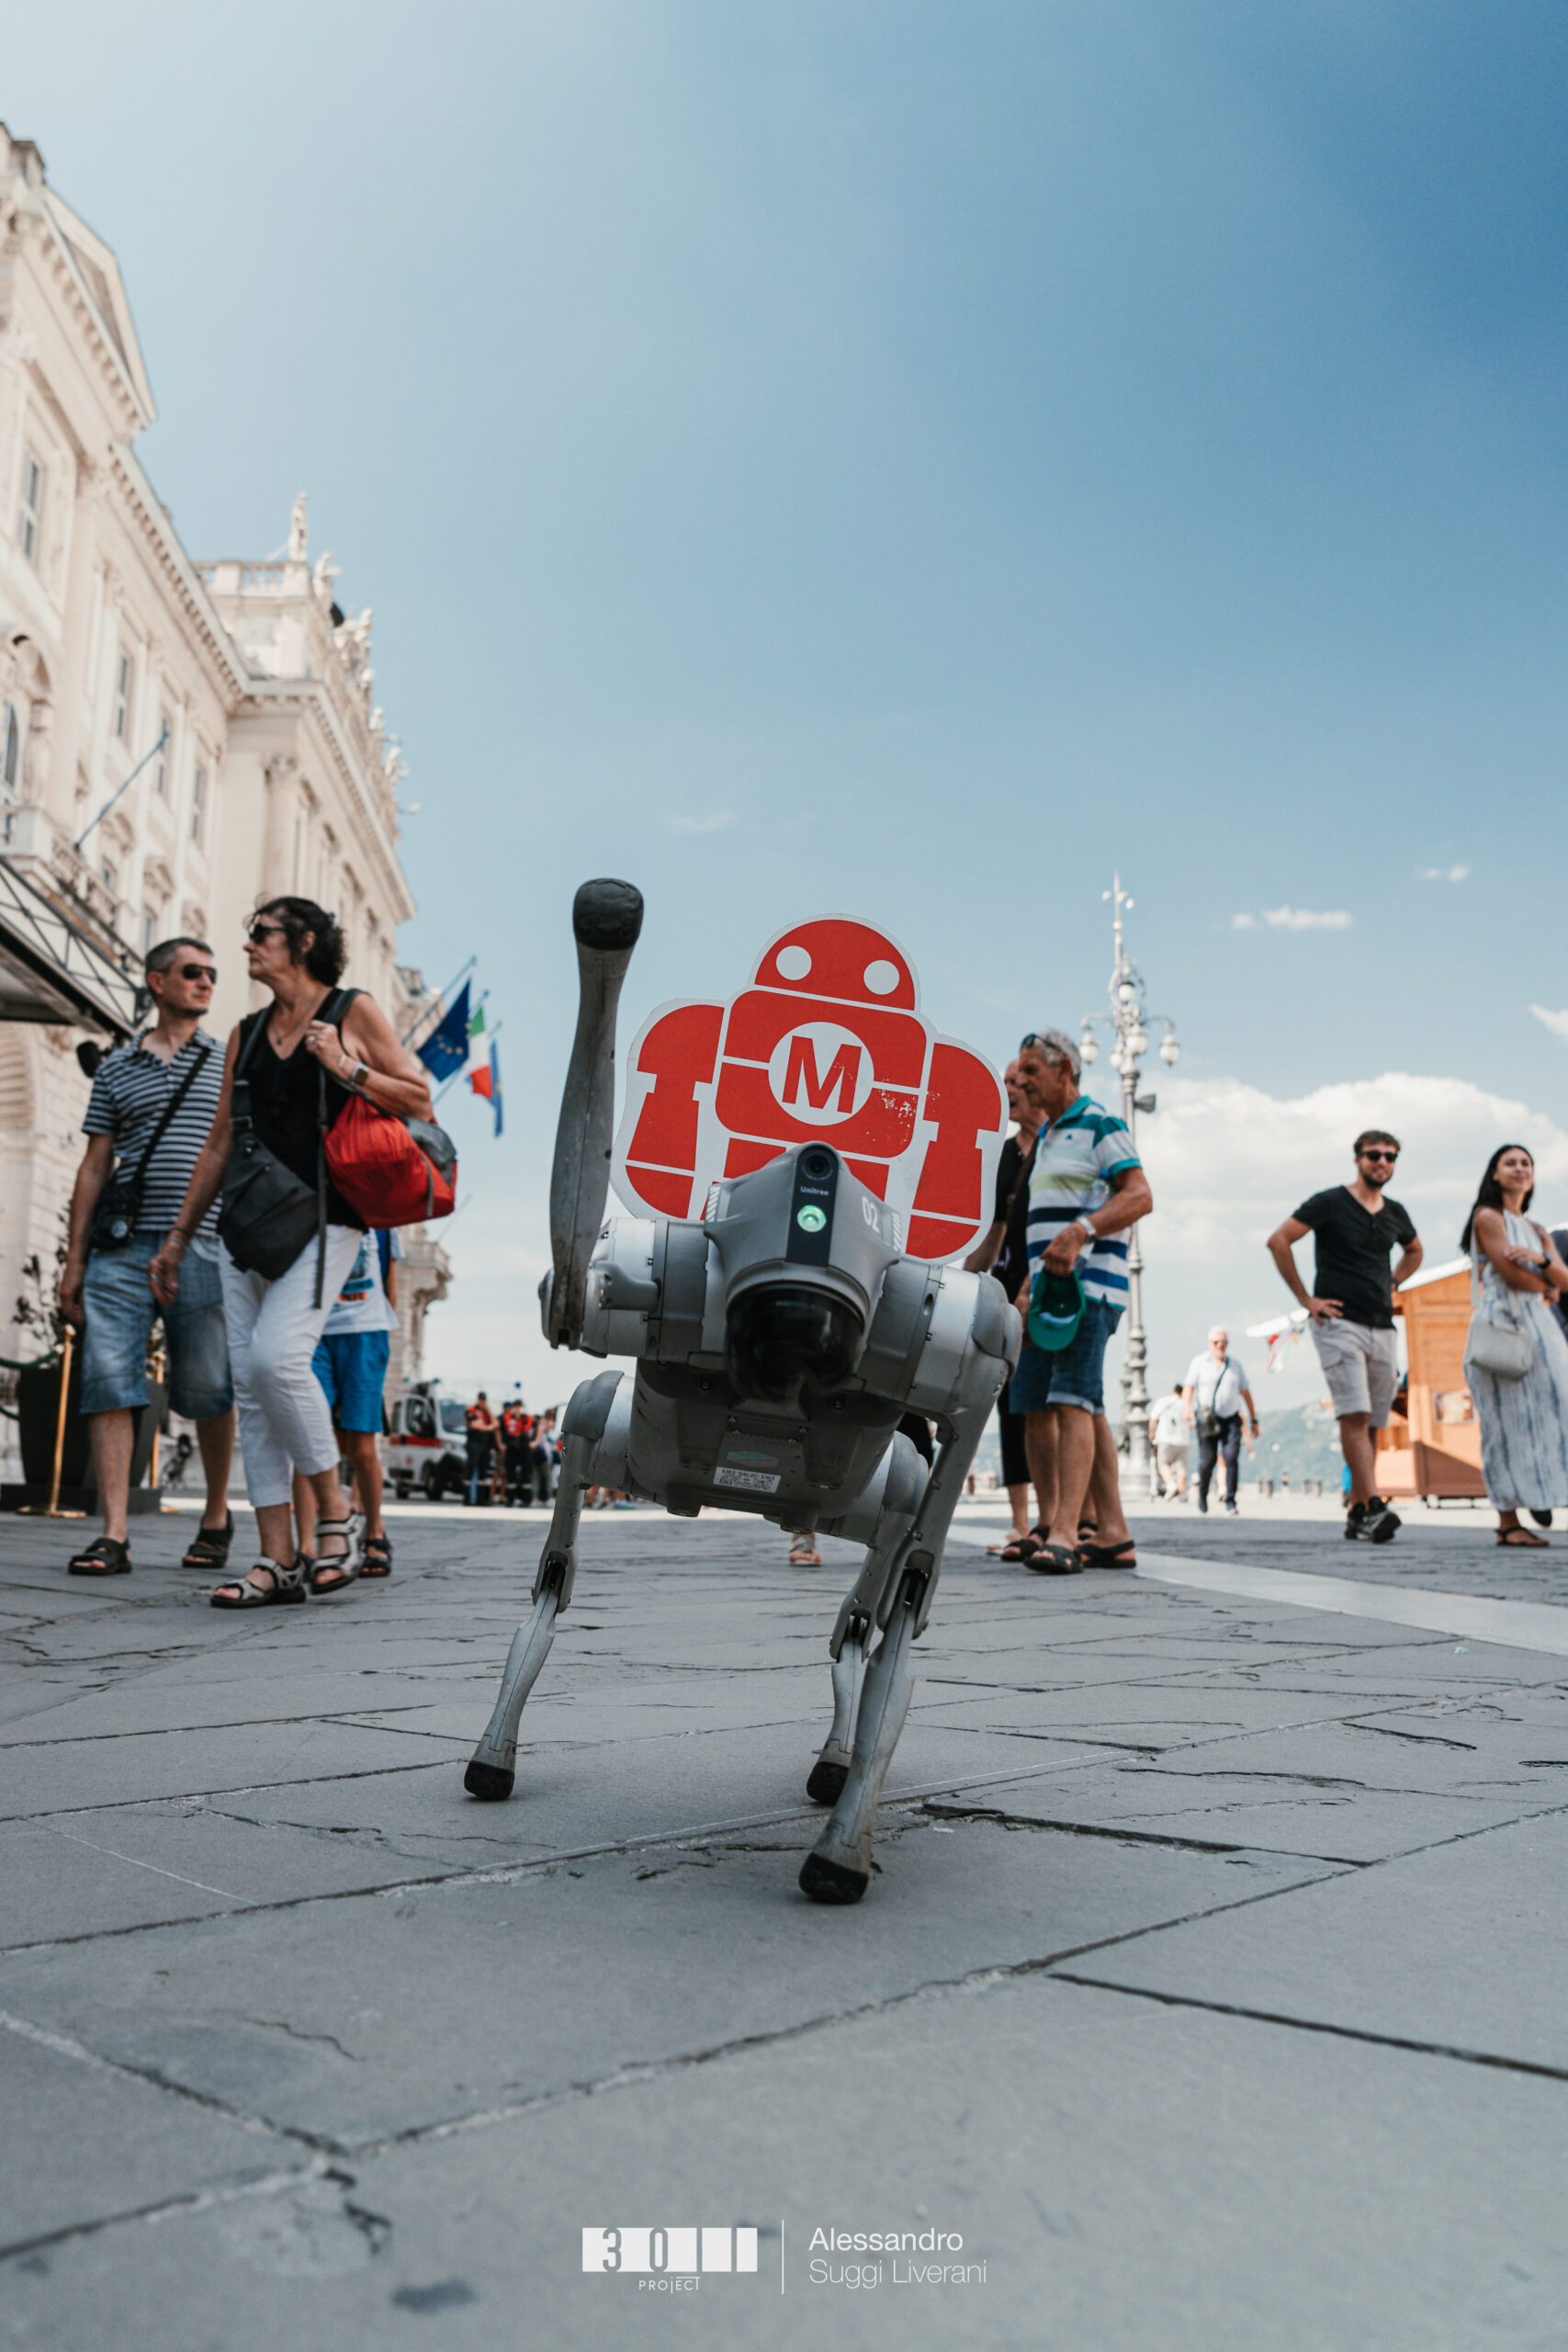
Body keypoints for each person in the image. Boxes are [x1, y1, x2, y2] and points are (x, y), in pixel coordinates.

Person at [150, 897, 434, 1605]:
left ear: (303, 941)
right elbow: (218, 1141)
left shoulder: (351, 1009)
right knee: (250, 1384)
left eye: (261, 934)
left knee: (278, 1358)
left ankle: (334, 1517)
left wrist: (346, 1066)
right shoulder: (243, 1033)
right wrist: (179, 1237)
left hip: (326, 1217)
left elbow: (420, 1099)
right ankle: (276, 1557)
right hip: (241, 1227)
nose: (248, 947)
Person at [59, 936, 235, 1577]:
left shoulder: (226, 1060)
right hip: (121, 1247)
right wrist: (74, 1260)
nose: (207, 983)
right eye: (193, 972)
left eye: (212, 974)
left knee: (210, 1387)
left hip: (205, 1245)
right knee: (108, 1380)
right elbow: (94, 1165)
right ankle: (113, 1533)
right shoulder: (117, 1067)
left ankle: (216, 1514)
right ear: (157, 982)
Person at [1008, 1029, 1154, 1574]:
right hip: (1045, 1293)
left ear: (1064, 1068)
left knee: (1072, 1400)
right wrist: (1025, 1285)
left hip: (1088, 1290)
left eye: (1030, 1070)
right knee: (1053, 1404)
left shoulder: (1100, 1124)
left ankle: (1069, 1532)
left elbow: (1139, 1195)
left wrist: (1081, 1231)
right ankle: (1108, 1531)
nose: (1021, 1081)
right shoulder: (1048, 1136)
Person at [1266, 1131, 1421, 1544]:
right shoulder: (1331, 1202)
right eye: (1374, 1155)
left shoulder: (1395, 1212)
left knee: (1372, 1420)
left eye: (1390, 1157)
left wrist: (1394, 1281)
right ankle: (1374, 1506)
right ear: (1358, 1159)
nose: (1382, 1162)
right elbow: (1279, 1240)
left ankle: (1356, 1509)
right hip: (1339, 1323)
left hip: (1382, 1325)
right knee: (1353, 1413)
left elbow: (1415, 1250)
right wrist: (1306, 1299)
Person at [1461, 1145, 1568, 1546]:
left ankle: (1543, 1493)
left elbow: (1563, 1279)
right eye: (1511, 1163)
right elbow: (1508, 1273)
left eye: (1526, 1163)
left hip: (1542, 1330)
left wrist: (1542, 1264)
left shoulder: (1538, 1230)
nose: (1520, 1169)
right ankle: (1509, 1520)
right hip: (1501, 1324)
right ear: (1495, 1173)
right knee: (1503, 1422)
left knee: (1555, 1411)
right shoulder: (1488, 1217)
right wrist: (1551, 1282)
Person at [964, 1057, 1043, 1555]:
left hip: (1049, 1286)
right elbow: (992, 1229)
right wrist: (962, 1282)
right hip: (1007, 1282)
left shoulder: (1058, 1148)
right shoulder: (1004, 1155)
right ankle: (1021, 1521)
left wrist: (1036, 1284)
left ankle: (1066, 1519)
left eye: (1019, 1082)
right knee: (1011, 1403)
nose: (1010, 1090)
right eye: (1006, 1082)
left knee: (1054, 1403)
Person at [293, 1227, 402, 1578]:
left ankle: (374, 1531)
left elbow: (391, 1288)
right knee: (308, 1435)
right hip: (316, 1331)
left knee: (361, 1447)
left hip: (366, 1333)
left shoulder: (384, 1224)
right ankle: (305, 1546)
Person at [1181, 1327, 1259, 1516]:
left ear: (1227, 1344)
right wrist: (1187, 1408)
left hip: (1231, 1418)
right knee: (1207, 1460)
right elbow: (1189, 1387)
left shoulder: (1235, 1366)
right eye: (1216, 1342)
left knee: (1231, 1457)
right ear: (1210, 1344)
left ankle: (1230, 1500)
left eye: (1223, 1342)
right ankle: (1203, 1493)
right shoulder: (1199, 1363)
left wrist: (1253, 1419)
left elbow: (1246, 1392)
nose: (1220, 1346)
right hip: (1207, 1419)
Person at [1147, 1387, 1190, 1499]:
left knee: (1163, 1464)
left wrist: (1152, 1432)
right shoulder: (1186, 1403)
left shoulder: (1163, 1401)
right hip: (1183, 1440)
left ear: (1174, 1391)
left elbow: (1153, 1419)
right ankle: (1182, 1494)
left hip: (1165, 1439)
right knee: (1181, 1467)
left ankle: (1171, 1485)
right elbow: (1191, 1423)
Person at [465, 1391, 497, 1506]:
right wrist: (488, 1427)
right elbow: (474, 1424)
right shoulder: (471, 1410)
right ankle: (467, 1499)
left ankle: (481, 1498)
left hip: (485, 1444)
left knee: (483, 1472)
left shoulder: (486, 1413)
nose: (482, 1402)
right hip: (474, 1443)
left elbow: (496, 1424)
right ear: (478, 1400)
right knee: (471, 1468)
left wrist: (488, 1411)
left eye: (484, 1400)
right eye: (481, 1400)